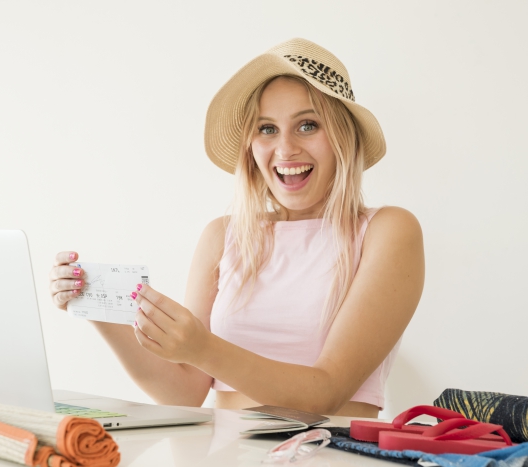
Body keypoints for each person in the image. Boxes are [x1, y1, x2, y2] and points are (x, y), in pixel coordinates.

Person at [49, 38, 424, 417]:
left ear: (344, 136)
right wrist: (95, 303)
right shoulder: (223, 235)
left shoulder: (387, 231)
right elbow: (183, 394)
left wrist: (202, 348)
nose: (285, 149)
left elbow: (325, 393)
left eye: (307, 125)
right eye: (266, 129)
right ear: (250, 145)